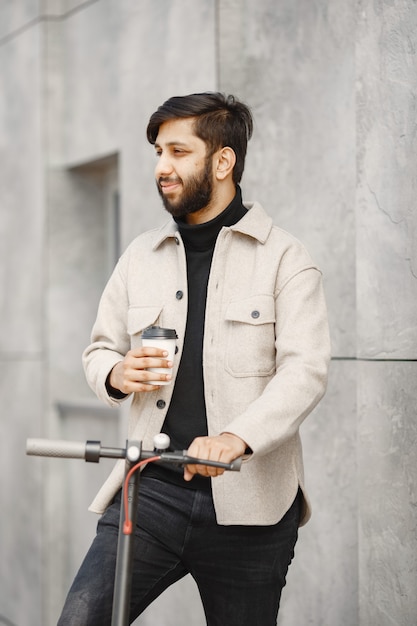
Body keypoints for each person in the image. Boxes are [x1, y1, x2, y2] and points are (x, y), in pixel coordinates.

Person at [57, 92, 330, 626]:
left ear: (222, 160)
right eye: (158, 152)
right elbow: (99, 349)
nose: (162, 168)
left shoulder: (286, 259)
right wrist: (114, 373)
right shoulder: (139, 255)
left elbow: (306, 370)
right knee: (79, 619)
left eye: (178, 152)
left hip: (251, 505)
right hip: (151, 492)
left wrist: (235, 438)